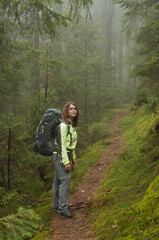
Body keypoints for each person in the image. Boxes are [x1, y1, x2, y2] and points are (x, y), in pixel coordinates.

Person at [52, 102, 79, 218]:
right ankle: (63, 208)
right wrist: (66, 162)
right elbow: (62, 145)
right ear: (66, 112)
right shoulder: (63, 126)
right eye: (71, 109)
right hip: (59, 155)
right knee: (65, 179)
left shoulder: (71, 126)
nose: (74, 111)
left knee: (58, 181)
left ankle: (56, 206)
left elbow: (71, 144)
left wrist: (73, 158)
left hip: (64, 154)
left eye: (75, 109)